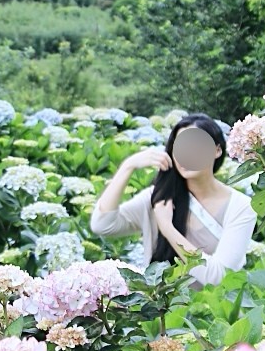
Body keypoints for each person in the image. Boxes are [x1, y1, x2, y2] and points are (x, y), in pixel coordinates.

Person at [90, 114, 256, 286]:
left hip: (215, 311)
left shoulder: (240, 207)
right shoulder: (159, 198)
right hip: (160, 310)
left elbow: (219, 277)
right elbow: (102, 224)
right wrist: (128, 166)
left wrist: (167, 228)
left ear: (217, 150)